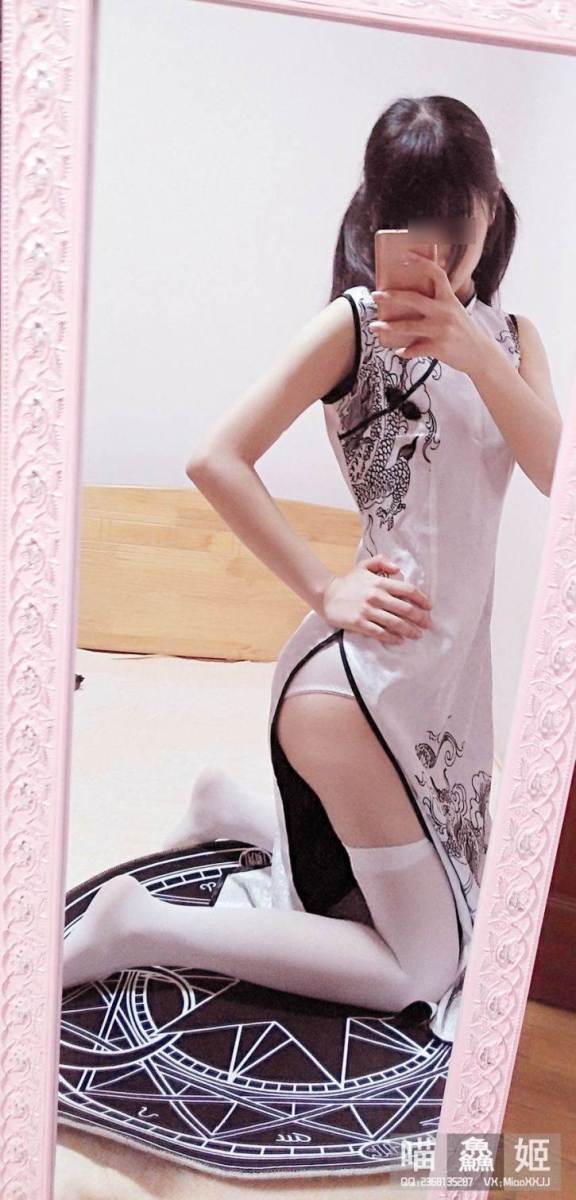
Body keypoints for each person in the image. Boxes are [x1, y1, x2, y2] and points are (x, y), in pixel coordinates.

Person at [62, 95, 562, 1044]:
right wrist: (326, 586)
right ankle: (140, 925)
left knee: (461, 892)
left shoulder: (513, 339)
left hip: (444, 691)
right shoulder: (355, 327)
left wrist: (471, 349)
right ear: (380, 220)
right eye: (417, 224)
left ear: (491, 206)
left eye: (457, 223)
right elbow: (216, 456)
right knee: (421, 968)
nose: (440, 251)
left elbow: (554, 472)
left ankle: (226, 807)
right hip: (359, 689)